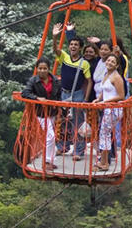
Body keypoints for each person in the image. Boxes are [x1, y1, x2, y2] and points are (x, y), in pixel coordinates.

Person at [51, 22, 92, 161]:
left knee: (78, 123)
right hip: (65, 93)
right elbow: (55, 50)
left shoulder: (84, 63)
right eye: (71, 44)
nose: (73, 46)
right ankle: (63, 146)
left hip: (77, 94)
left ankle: (79, 151)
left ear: (80, 48)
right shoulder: (65, 57)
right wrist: (55, 37)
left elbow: (89, 81)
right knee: (63, 121)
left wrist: (86, 98)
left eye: (76, 45)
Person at [21, 57, 61, 172]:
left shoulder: (55, 80)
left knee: (52, 135)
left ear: (49, 69)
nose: (42, 71)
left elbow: (58, 94)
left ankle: (50, 161)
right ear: (36, 69)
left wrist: (59, 107)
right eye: (40, 68)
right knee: (50, 136)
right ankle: (47, 161)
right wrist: (37, 98)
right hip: (41, 113)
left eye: (45, 68)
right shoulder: (33, 81)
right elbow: (25, 93)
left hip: (52, 111)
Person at [93, 53, 125, 171]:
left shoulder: (116, 77)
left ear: (116, 65)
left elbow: (121, 96)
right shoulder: (107, 74)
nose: (109, 63)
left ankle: (104, 163)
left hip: (113, 109)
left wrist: (106, 102)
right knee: (104, 134)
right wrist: (99, 99)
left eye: (113, 62)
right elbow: (105, 89)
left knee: (104, 134)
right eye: (108, 60)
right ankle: (104, 161)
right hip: (107, 108)